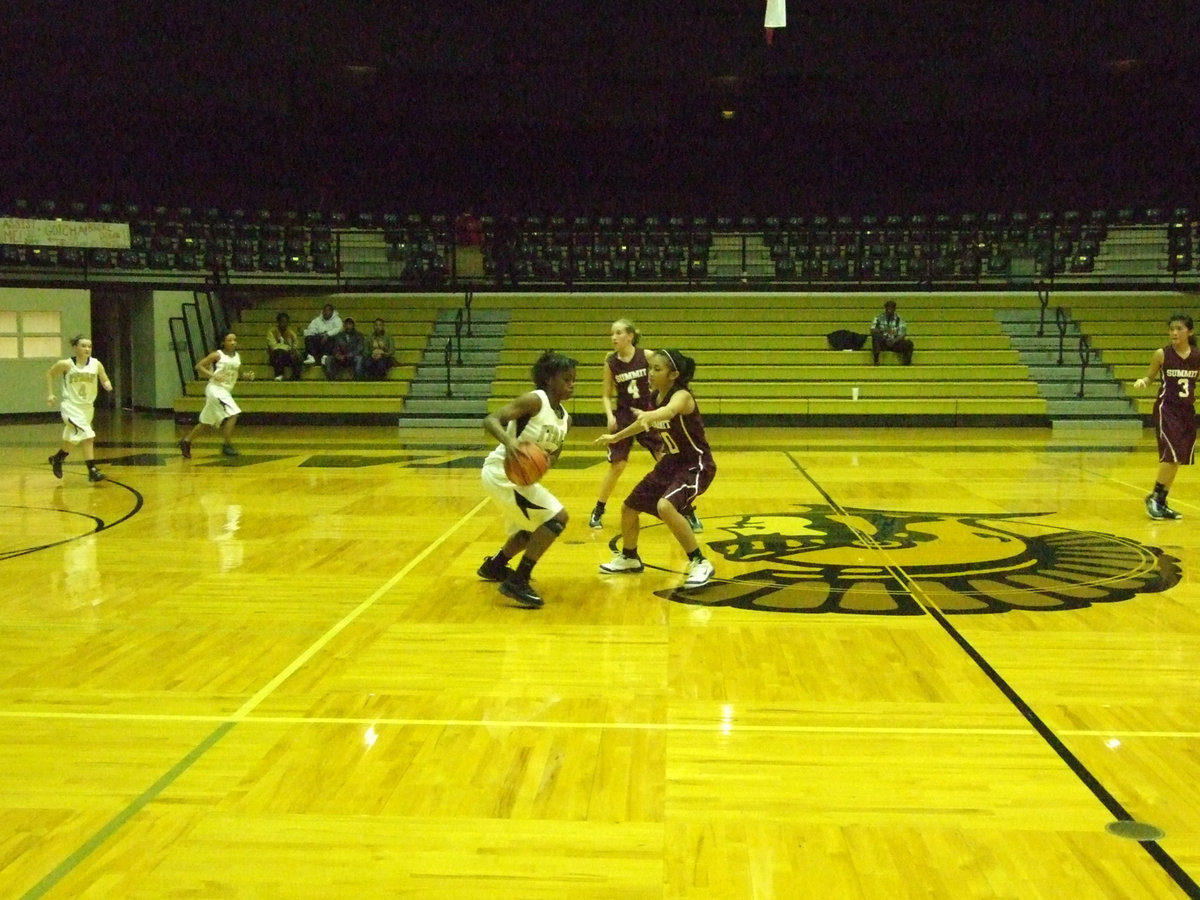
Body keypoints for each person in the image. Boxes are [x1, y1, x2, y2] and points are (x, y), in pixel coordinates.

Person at [595, 349, 716, 590]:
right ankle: (630, 556)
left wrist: (649, 415)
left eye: (657, 369)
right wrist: (615, 436)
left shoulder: (682, 396)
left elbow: (668, 412)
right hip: (670, 464)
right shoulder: (654, 396)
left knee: (665, 506)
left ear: (674, 375)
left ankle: (700, 562)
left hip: (695, 464)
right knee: (629, 508)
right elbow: (642, 423)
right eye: (650, 368)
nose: (650, 373)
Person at [478, 350, 577, 609]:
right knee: (557, 518)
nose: (571, 385)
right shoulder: (535, 400)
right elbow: (491, 420)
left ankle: (495, 566)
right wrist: (510, 442)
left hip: (520, 479)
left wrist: (542, 463)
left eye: (573, 380)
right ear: (548, 379)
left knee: (530, 530)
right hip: (501, 472)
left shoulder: (566, 418)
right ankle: (518, 581)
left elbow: (554, 455)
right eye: (566, 379)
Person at [589, 319, 704, 533]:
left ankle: (687, 510)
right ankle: (598, 509)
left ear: (630, 336)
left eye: (619, 332)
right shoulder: (611, 362)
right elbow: (606, 394)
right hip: (626, 415)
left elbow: (667, 376)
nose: (613, 337)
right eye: (612, 333)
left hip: (650, 411)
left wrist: (653, 412)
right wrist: (609, 417)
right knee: (618, 466)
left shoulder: (648, 356)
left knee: (667, 461)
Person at [1135, 312, 1200, 519]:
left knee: (1179, 458)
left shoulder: (1197, 355)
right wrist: (1143, 382)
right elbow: (1150, 376)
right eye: (1171, 329)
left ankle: (1161, 501)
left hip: (1187, 411)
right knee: (1170, 455)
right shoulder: (1162, 354)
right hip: (1167, 409)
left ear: (1190, 332)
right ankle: (1154, 497)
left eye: (1179, 329)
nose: (1174, 333)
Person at [46, 335, 113, 482]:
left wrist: (107, 384)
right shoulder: (66, 364)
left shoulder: (96, 364)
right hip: (71, 407)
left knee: (74, 438)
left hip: (87, 408)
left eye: (89, 346)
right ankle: (92, 470)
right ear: (75, 347)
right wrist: (50, 394)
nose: (87, 349)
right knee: (88, 436)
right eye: (83, 346)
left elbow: (104, 378)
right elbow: (50, 374)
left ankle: (58, 458)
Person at [180, 332, 254, 459]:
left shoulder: (237, 357)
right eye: (229, 340)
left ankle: (186, 441)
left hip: (225, 391)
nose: (232, 342)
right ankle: (226, 445)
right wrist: (213, 375)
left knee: (206, 422)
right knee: (234, 413)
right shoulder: (217, 355)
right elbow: (199, 366)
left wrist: (247, 376)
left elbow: (239, 374)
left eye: (234, 340)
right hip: (216, 389)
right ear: (223, 342)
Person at [870, 300, 914, 365]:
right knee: (876, 336)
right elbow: (872, 330)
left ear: (894, 309)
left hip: (895, 343)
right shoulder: (878, 318)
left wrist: (894, 340)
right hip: (883, 342)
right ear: (885, 309)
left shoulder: (899, 319)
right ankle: (876, 360)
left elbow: (903, 333)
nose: (889, 310)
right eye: (888, 309)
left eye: (891, 309)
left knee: (909, 343)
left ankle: (906, 363)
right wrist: (883, 330)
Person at [267, 311, 303, 381]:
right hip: (275, 356)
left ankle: (295, 376)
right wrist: (287, 348)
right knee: (279, 352)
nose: (284, 324)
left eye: (286, 322)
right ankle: (279, 374)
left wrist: (292, 349)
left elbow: (295, 344)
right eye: (282, 322)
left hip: (287, 356)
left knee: (297, 356)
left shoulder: (291, 333)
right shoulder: (271, 332)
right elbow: (273, 346)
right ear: (278, 322)